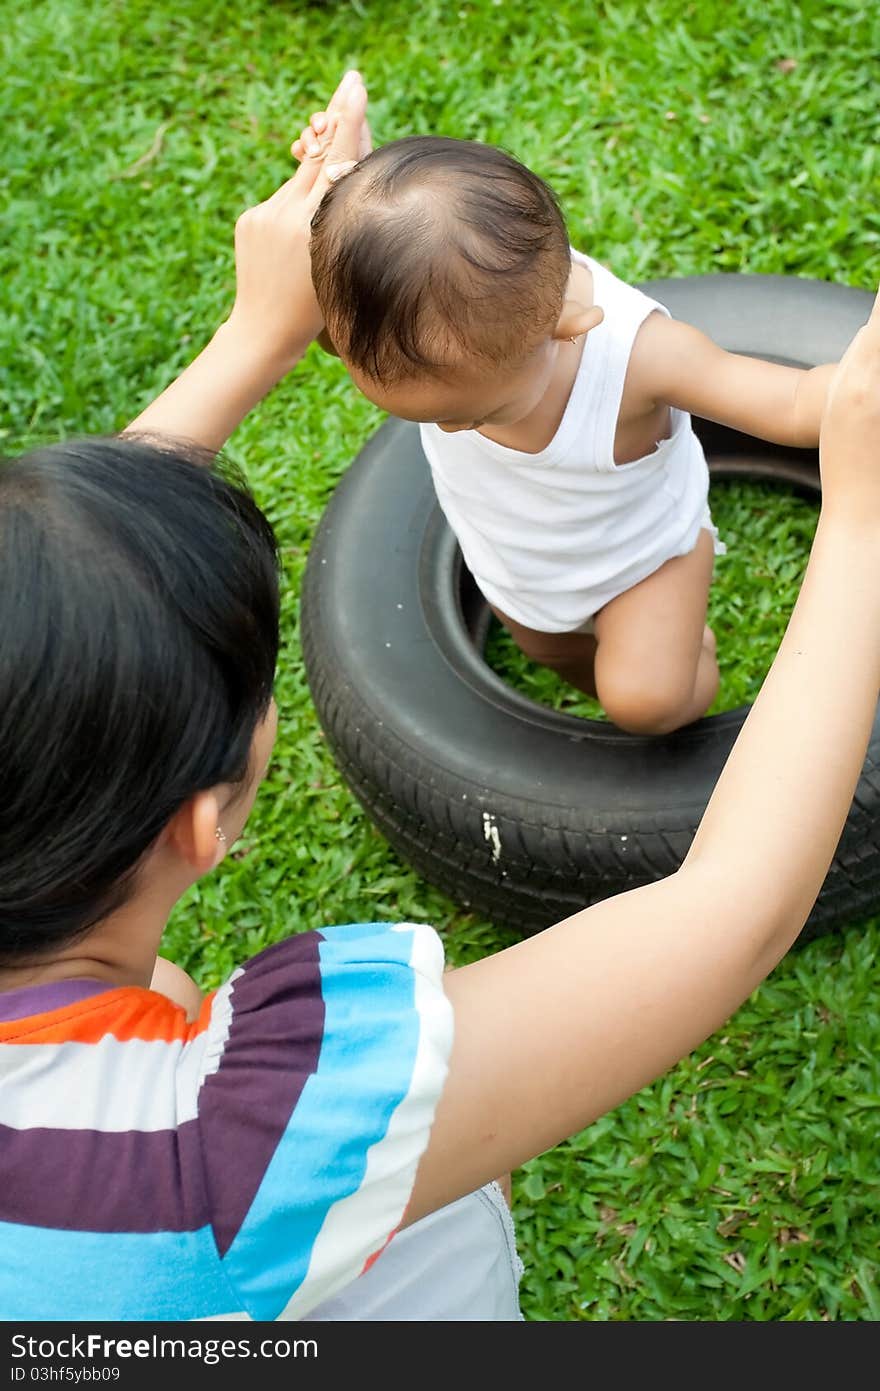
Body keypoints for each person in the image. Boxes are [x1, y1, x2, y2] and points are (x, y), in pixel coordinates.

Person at [1, 69, 879, 1323]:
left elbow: (40, 593)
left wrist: (263, 329)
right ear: (205, 818)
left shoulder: (622, 354)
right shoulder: (230, 1139)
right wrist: (862, 510)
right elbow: (726, 907)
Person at [303, 130, 839, 735]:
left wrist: (857, 389)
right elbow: (324, 317)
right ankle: (603, 648)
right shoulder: (425, 333)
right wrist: (334, 189)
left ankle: (691, 653)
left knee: (648, 703)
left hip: (643, 557)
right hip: (512, 560)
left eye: (474, 417)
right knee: (552, 650)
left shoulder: (638, 359)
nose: (449, 430)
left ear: (566, 328)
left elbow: (792, 401)